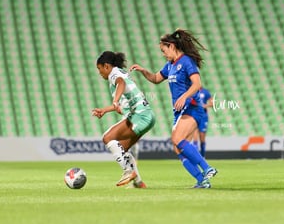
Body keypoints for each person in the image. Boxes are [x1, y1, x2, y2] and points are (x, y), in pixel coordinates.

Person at [130, 29, 218, 188]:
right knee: (178, 149)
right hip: (179, 111)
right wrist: (143, 71)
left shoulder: (186, 62)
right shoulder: (170, 65)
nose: (163, 54)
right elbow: (156, 79)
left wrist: (184, 96)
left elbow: (197, 84)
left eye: (163, 50)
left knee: (177, 140)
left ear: (171, 46)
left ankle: (207, 168)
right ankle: (202, 181)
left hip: (191, 107)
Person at [92, 51, 155, 188]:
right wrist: (105, 110)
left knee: (107, 137)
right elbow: (122, 105)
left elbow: (120, 83)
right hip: (147, 115)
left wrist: (114, 101)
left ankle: (128, 171)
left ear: (106, 66)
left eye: (99, 68)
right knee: (123, 148)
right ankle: (138, 182)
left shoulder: (114, 74)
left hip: (140, 115)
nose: (99, 72)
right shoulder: (121, 72)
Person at [191, 87, 213, 158]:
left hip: (203, 116)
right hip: (194, 115)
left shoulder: (205, 92)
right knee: (195, 136)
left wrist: (204, 106)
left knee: (202, 137)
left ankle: (203, 156)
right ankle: (196, 156)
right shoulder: (192, 90)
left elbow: (212, 103)